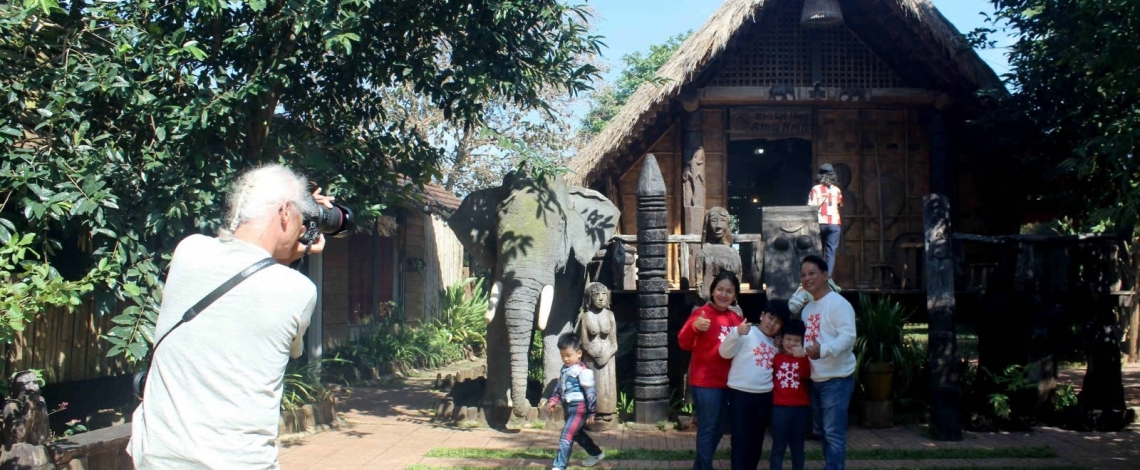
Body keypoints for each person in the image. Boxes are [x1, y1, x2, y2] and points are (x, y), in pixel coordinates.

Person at [129, 164, 334, 469]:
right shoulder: (298, 290)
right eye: (302, 218)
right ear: (284, 213)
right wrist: (294, 254)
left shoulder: (188, 251)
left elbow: (235, 259)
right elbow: (288, 344)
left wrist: (294, 225)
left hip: (158, 458)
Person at [678, 270, 744, 470]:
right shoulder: (701, 313)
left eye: (729, 291)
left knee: (718, 429)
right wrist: (695, 327)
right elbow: (683, 342)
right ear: (712, 291)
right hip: (705, 382)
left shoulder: (736, 319)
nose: (724, 295)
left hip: (729, 382)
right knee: (707, 428)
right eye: (720, 289)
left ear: (735, 296)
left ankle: (700, 467)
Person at [800, 256, 857, 470]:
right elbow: (807, 343)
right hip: (815, 379)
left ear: (825, 275)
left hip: (837, 379)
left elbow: (848, 337)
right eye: (803, 275)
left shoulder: (839, 304)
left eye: (812, 273)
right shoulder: (808, 309)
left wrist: (822, 350)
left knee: (833, 433)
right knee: (823, 432)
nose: (807, 278)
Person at [719, 300, 789, 470]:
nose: (772, 324)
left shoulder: (776, 345)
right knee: (740, 439)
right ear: (762, 315)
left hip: (764, 396)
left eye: (778, 321)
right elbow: (724, 352)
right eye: (770, 317)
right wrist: (736, 333)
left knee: (756, 440)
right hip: (739, 395)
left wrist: (782, 349)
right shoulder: (746, 333)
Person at [545, 333, 606, 470]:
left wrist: (591, 413)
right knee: (576, 433)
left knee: (566, 435)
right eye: (562, 356)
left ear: (579, 353)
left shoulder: (583, 371)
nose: (565, 359)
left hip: (579, 409)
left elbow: (590, 393)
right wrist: (553, 400)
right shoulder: (564, 370)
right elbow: (560, 387)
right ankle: (596, 453)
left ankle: (559, 466)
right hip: (568, 408)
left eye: (568, 355)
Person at [770, 319, 812, 470]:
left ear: (803, 341)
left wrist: (802, 358)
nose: (791, 343)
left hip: (800, 408)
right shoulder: (776, 357)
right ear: (781, 339)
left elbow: (806, 375)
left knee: (798, 446)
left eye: (797, 340)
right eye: (788, 339)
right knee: (778, 446)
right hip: (779, 408)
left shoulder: (804, 358)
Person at [808, 164, 844, 278]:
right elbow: (841, 204)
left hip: (819, 223)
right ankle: (827, 278)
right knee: (831, 253)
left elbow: (810, 207)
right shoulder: (837, 190)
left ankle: (816, 277)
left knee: (818, 252)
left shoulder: (815, 189)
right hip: (834, 223)